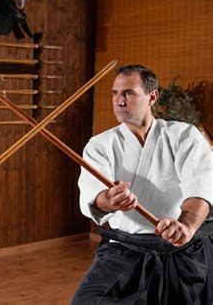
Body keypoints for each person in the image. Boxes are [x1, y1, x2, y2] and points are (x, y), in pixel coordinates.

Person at [73, 64, 212, 304]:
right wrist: (110, 200)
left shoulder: (185, 135)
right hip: (124, 250)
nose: (119, 101)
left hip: (182, 247)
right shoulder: (100, 145)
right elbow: (94, 195)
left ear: (152, 96)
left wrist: (187, 226)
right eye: (115, 93)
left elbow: (201, 187)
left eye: (128, 93)